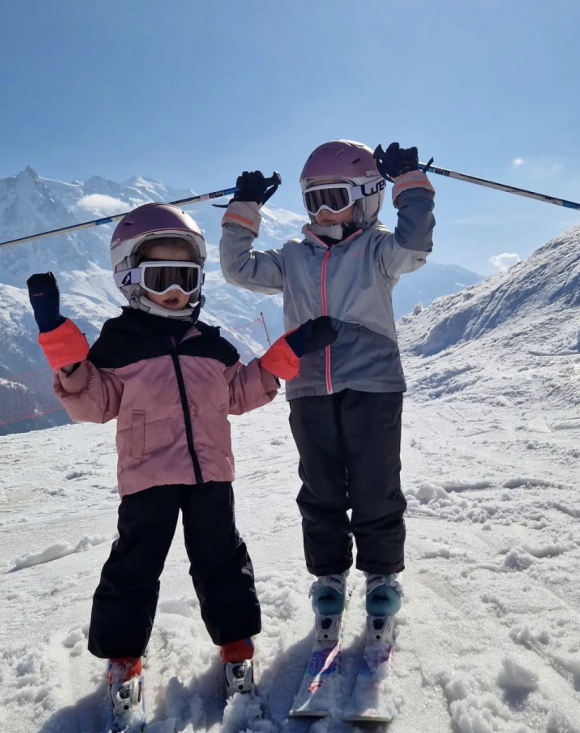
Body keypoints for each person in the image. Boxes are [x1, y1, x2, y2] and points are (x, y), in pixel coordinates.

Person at [27, 202, 336, 732]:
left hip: (211, 476)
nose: (175, 290)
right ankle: (124, 665)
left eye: (186, 277)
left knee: (223, 563)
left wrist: (289, 351)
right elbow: (91, 402)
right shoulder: (118, 345)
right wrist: (66, 351)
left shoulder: (211, 345)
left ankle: (237, 653)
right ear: (129, 277)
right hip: (148, 479)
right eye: (161, 276)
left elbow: (240, 390)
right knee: (133, 569)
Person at [219, 140, 436, 622]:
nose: (321, 211)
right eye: (312, 199)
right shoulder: (292, 256)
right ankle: (329, 574)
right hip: (310, 388)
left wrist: (409, 182)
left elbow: (416, 243)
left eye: (334, 198)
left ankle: (381, 574)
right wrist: (245, 207)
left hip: (374, 386)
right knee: (320, 487)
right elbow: (237, 268)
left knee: (376, 484)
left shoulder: (379, 249)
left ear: (365, 197)